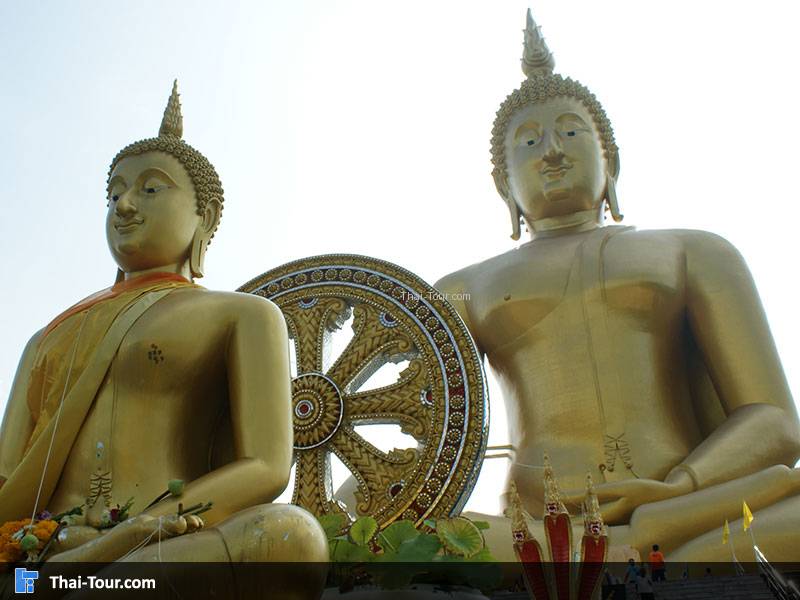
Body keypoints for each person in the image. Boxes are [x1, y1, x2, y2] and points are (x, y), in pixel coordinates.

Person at [439, 9, 800, 561]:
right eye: (529, 142)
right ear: (503, 185)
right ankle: (622, 550)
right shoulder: (463, 288)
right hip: (537, 531)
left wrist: (678, 488)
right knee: (372, 521)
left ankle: (638, 544)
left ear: (611, 161)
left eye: (571, 132)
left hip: (696, 510)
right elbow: (421, 441)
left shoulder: (693, 251)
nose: (552, 151)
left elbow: (774, 420)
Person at [0, 83, 327, 589]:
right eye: (114, 194)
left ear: (205, 217)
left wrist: (144, 527)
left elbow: (265, 466)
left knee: (289, 538)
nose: (125, 205)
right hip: (42, 552)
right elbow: (6, 483)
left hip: (162, 545)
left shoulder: (243, 314)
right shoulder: (48, 338)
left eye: (150, 189)